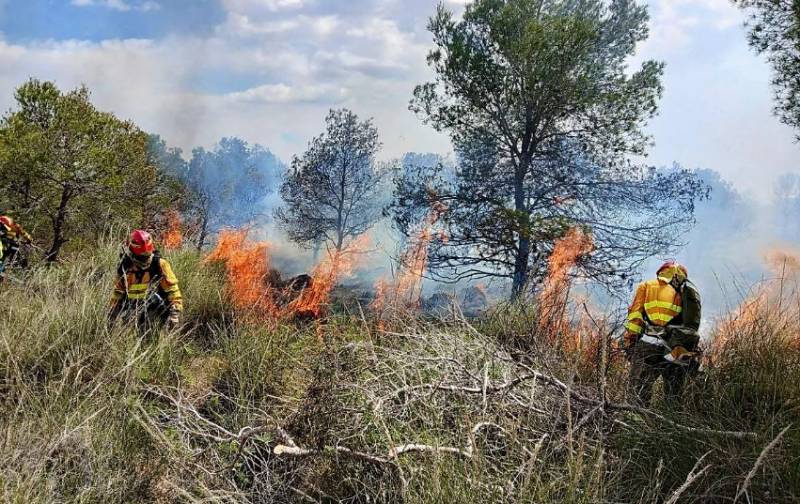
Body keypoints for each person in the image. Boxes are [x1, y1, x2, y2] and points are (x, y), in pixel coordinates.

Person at [624, 261, 702, 405]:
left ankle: (636, 423)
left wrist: (631, 342)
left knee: (638, 393)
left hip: (648, 344)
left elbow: (635, 318)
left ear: (661, 272)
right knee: (674, 396)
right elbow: (691, 324)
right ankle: (670, 424)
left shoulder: (647, 286)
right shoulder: (686, 290)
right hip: (676, 348)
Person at [109, 229, 183, 331]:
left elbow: (173, 290)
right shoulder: (125, 266)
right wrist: (113, 312)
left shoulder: (160, 264)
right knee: (128, 335)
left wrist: (175, 313)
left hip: (154, 311)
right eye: (141, 257)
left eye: (147, 256)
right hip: (131, 310)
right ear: (132, 252)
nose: (144, 261)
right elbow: (118, 292)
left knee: (150, 335)